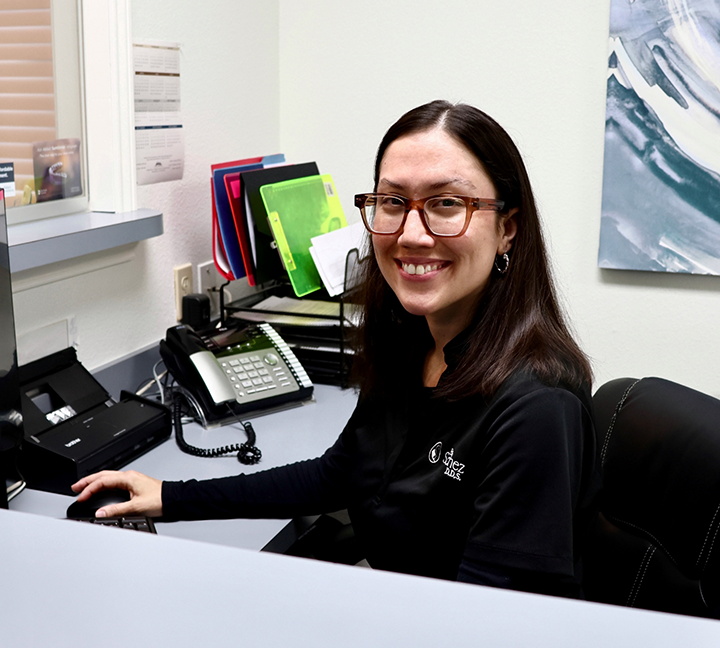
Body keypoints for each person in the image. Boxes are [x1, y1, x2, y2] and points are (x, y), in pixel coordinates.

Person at [72, 100, 601, 598]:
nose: (412, 234)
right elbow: (340, 474)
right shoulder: (414, 343)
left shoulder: (536, 407)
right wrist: (171, 496)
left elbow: (494, 626)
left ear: (507, 228)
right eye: (393, 202)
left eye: (446, 204)